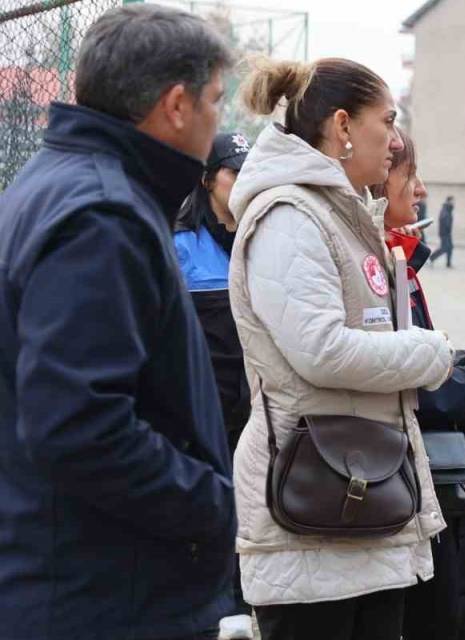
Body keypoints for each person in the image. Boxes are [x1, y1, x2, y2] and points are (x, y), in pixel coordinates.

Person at [0, 6, 237, 639]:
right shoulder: (103, 215)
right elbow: (77, 425)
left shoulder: (63, 184)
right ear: (177, 104)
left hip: (80, 575)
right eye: (216, 100)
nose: (220, 122)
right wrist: (210, 504)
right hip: (99, 594)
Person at [226, 57, 454, 640]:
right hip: (314, 501)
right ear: (344, 126)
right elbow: (320, 350)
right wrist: (429, 354)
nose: (396, 138)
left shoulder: (340, 214)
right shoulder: (290, 216)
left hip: (359, 493)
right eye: (389, 120)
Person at [372, 128, 465, 640]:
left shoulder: (401, 257)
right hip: (389, 475)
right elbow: (402, 376)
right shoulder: (376, 263)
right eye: (410, 175)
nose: (420, 189)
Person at [172, 130, 255, 640]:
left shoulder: (258, 237)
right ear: (207, 180)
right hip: (204, 418)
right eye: (234, 173)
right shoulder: (179, 243)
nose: (245, 184)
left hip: (256, 416)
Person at [430, 195, 455, 268]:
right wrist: (446, 229)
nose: (454, 202)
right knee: (444, 248)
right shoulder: (445, 209)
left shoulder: (449, 209)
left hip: (448, 232)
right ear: (448, 201)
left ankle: (448, 263)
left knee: (450, 247)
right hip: (444, 233)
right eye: (452, 201)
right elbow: (443, 220)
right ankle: (431, 258)